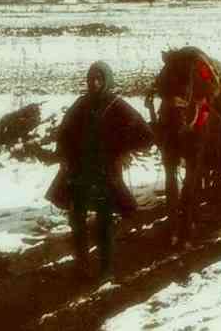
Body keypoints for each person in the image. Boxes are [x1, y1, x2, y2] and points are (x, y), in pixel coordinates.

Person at [47, 61, 154, 282]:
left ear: (106, 80)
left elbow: (145, 135)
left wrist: (121, 150)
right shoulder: (81, 104)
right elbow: (64, 133)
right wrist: (64, 155)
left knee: (104, 223)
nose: (94, 83)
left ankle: (106, 269)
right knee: (77, 221)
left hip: (105, 175)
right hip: (78, 173)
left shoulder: (117, 105)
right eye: (91, 79)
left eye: (99, 79)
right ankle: (82, 265)